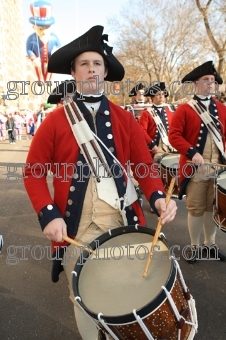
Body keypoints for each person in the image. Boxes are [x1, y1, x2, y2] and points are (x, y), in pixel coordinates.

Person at [23, 25, 177, 340]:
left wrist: (159, 197)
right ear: (73, 72)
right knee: (87, 298)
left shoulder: (124, 119)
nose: (91, 69)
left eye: (97, 64)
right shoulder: (55, 121)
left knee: (129, 292)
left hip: (124, 221)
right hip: (76, 230)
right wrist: (48, 213)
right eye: (84, 64)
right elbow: (33, 171)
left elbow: (144, 167)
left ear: (105, 72)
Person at [168, 60, 226, 263]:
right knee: (195, 208)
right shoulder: (185, 109)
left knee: (212, 208)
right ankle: (195, 246)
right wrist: (192, 152)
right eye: (206, 80)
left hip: (217, 169)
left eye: (212, 80)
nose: (210, 84)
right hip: (196, 169)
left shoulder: (221, 108)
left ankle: (210, 245)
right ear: (195, 84)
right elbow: (173, 135)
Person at [139, 82, 176, 162]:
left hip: (169, 146)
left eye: (162, 94)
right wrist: (152, 144)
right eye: (158, 94)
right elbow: (141, 131)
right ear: (152, 98)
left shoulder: (169, 112)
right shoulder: (147, 113)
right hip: (155, 148)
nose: (161, 96)